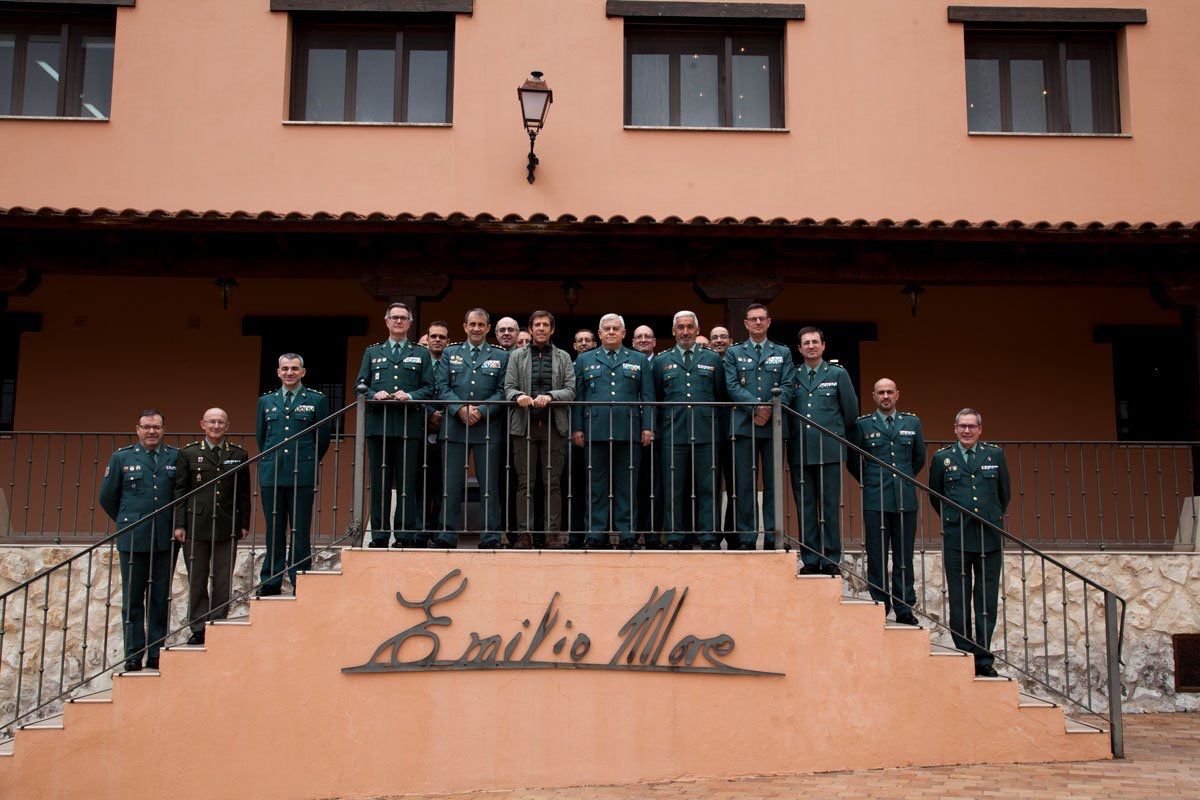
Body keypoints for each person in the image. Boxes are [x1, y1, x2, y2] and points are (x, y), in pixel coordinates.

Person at [928, 408, 1011, 677]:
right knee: (959, 598)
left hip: (989, 536)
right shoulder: (942, 458)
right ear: (955, 429)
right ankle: (965, 652)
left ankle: (983, 658)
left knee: (986, 599)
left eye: (972, 426)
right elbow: (935, 496)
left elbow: (1004, 494)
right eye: (962, 426)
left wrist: (990, 516)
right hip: (957, 537)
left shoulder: (995, 455)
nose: (967, 431)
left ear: (980, 430)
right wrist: (952, 519)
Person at [100, 409, 179, 672]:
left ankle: (156, 652)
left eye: (156, 427)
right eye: (146, 427)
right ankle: (133, 654)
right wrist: (127, 521)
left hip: (165, 537)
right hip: (133, 537)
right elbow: (107, 497)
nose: (151, 431)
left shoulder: (174, 457)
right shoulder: (122, 457)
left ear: (163, 429)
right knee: (133, 599)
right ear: (138, 429)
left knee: (159, 598)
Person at [355, 303, 435, 547]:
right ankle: (379, 536)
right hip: (379, 426)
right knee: (379, 484)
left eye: (403, 318)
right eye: (394, 317)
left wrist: (410, 395)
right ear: (387, 321)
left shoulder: (421, 353)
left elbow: (429, 388)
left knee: (406, 484)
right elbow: (360, 386)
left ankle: (404, 536)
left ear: (410, 323)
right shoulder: (372, 352)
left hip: (409, 426)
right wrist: (374, 393)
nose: (398, 321)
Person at [846, 379, 924, 624]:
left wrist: (903, 480)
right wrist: (870, 481)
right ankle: (880, 604)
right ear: (874, 396)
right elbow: (853, 459)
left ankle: (904, 607)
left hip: (904, 498)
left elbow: (919, 458)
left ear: (897, 395)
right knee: (877, 555)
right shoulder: (863, 424)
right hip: (875, 498)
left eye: (890, 392)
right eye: (881, 392)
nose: (886, 396)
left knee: (904, 556)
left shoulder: (912, 422)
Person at [572, 313, 654, 548]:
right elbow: (578, 397)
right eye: (606, 329)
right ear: (599, 334)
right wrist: (577, 427)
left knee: (627, 486)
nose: (610, 332)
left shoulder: (638, 359)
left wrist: (648, 426)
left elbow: (647, 396)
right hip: (594, 430)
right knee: (596, 487)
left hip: (629, 430)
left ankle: (627, 534)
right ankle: (595, 533)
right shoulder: (585, 359)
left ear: (623, 333)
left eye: (615, 328)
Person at [172, 407, 250, 646]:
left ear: (227, 426)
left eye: (221, 422)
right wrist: (179, 524)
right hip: (196, 524)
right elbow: (180, 491)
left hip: (227, 523)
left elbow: (243, 492)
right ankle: (198, 627)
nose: (216, 426)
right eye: (212, 422)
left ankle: (217, 624)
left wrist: (244, 523)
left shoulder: (238, 453)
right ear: (202, 424)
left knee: (223, 579)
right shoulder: (188, 453)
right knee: (197, 578)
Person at [434, 309, 509, 548]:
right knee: (451, 485)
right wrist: (460, 409)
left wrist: (482, 410)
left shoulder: (500, 355)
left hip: (487, 427)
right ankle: (447, 536)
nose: (476, 328)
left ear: (488, 328)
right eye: (472, 324)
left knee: (489, 486)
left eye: (481, 325)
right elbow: (442, 387)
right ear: (465, 326)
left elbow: (503, 390)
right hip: (455, 426)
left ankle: (490, 536)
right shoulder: (450, 352)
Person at [256, 354, 331, 594]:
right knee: (274, 530)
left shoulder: (316, 400)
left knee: (300, 530)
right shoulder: (266, 401)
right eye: (285, 368)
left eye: (295, 368)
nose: (290, 372)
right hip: (272, 473)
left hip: (302, 473)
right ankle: (271, 581)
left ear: (303, 372)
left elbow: (323, 438)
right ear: (278, 372)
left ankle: (300, 579)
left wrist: (308, 461)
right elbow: (261, 437)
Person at [723, 303, 795, 549]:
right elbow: (732, 386)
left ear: (768, 321)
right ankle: (747, 536)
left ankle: (774, 537)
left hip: (774, 426)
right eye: (752, 319)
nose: (757, 322)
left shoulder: (783, 352)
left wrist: (768, 411)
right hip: (744, 426)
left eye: (761, 318)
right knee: (745, 484)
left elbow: (788, 386)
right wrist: (757, 408)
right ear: (745, 323)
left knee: (774, 484)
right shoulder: (734, 352)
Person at [789, 327, 859, 574]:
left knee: (829, 506)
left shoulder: (838, 374)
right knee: (805, 506)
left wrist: (835, 437)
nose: (811, 346)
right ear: (800, 349)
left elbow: (850, 412)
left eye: (815, 342)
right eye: (806, 343)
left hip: (829, 450)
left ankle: (830, 559)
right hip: (800, 450)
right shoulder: (793, 375)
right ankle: (810, 559)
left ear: (823, 346)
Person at [505, 310, 576, 548]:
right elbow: (508, 387)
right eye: (537, 325)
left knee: (552, 483)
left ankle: (551, 535)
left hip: (553, 426)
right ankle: (524, 534)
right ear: (531, 328)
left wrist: (551, 396)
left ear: (552, 329)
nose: (541, 328)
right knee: (525, 483)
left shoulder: (564, 356)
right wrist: (518, 396)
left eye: (546, 325)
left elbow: (571, 390)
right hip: (524, 426)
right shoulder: (516, 356)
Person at [653, 311, 722, 549]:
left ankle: (708, 536)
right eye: (680, 327)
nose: (685, 331)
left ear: (697, 330)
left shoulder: (713, 359)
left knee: (708, 487)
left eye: (690, 327)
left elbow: (720, 395)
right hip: (673, 433)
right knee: (673, 488)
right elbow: (657, 398)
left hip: (706, 432)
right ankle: (674, 536)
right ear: (673, 331)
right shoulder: (662, 361)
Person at [567, 328, 598, 541]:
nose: (584, 343)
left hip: (596, 432)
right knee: (576, 486)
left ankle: (596, 531)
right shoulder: (568, 365)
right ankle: (576, 533)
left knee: (597, 485)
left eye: (588, 340)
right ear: (574, 345)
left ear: (595, 343)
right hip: (572, 434)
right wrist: (575, 428)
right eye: (580, 340)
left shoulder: (597, 363)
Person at [632, 324, 662, 542]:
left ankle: (652, 534)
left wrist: (651, 426)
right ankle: (631, 532)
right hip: (631, 431)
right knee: (631, 484)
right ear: (633, 342)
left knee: (654, 485)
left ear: (654, 341)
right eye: (639, 337)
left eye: (648, 336)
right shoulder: (629, 361)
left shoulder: (661, 363)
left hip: (656, 431)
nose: (643, 339)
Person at [709, 325, 737, 546]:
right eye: (715, 338)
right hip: (710, 431)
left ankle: (734, 533)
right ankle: (713, 532)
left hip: (736, 430)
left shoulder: (736, 361)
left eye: (723, 337)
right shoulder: (706, 362)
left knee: (736, 483)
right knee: (711, 484)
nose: (719, 340)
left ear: (731, 341)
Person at [422, 321, 450, 533]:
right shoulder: (420, 363)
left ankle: (440, 529)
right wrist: (430, 412)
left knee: (443, 483)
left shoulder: (452, 362)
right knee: (419, 482)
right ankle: (420, 530)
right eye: (434, 336)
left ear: (448, 341)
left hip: (448, 426)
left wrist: (443, 414)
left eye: (442, 337)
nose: (437, 340)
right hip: (421, 426)